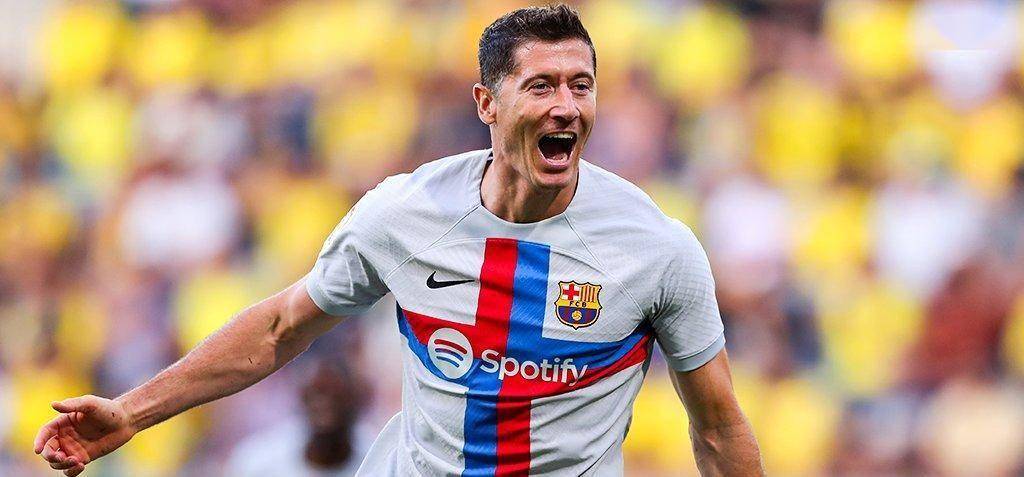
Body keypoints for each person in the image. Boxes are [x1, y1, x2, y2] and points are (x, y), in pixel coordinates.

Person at [34, 5, 763, 476]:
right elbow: (281, 327)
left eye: (582, 85)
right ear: (487, 103)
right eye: (541, 86)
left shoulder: (656, 248)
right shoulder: (406, 214)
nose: (567, 106)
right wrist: (131, 411)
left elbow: (718, 427)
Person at [226, 356, 369, 477]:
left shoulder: (376, 460)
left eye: (336, 396)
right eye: (316, 394)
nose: (324, 405)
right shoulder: (257, 461)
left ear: (354, 400)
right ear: (302, 399)